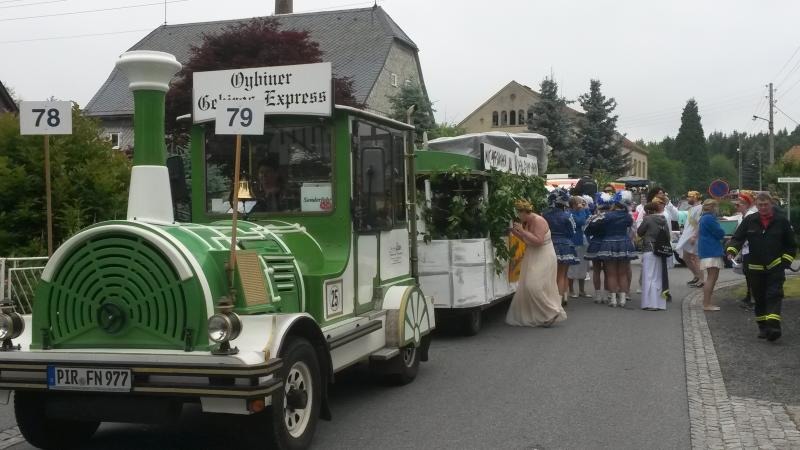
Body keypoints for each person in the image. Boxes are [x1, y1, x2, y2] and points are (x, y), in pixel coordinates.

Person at [726, 192, 797, 341]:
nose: (763, 207)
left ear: (771, 204)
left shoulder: (781, 221)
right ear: (756, 205)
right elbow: (738, 238)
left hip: (775, 266)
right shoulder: (750, 220)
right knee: (759, 298)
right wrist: (732, 250)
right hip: (754, 268)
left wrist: (785, 261)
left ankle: (773, 326)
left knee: (774, 295)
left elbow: (791, 245)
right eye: (760, 205)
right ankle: (763, 327)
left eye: (766, 204)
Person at [506, 199, 567, 327]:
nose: (517, 216)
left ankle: (552, 311)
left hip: (543, 255)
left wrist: (522, 231)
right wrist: (515, 232)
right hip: (533, 255)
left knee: (533, 285)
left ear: (523, 212)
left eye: (518, 213)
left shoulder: (538, 221)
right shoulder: (527, 221)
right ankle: (544, 315)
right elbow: (527, 240)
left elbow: (538, 241)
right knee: (531, 285)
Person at [586, 191, 638, 308]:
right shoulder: (627, 216)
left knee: (611, 274)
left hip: (608, 243)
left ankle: (613, 299)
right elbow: (631, 228)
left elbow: (592, 225)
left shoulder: (606, 216)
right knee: (623, 273)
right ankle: (623, 299)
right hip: (624, 243)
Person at [543, 188, 580, 306]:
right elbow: (572, 232)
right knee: (563, 274)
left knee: (551, 274)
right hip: (565, 245)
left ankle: (552, 299)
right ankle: (561, 299)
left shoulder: (545, 215)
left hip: (549, 245)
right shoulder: (568, 216)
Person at [637, 202, 669, 311]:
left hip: (649, 249)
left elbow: (640, 232)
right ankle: (660, 303)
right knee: (658, 277)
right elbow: (668, 236)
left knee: (648, 276)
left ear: (648, 211)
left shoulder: (648, 219)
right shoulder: (663, 220)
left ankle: (650, 304)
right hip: (661, 250)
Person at [698, 199, 725, 311]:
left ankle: (707, 302)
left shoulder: (704, 218)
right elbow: (720, 232)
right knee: (711, 278)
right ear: (713, 207)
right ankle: (706, 304)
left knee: (711, 277)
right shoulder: (709, 218)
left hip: (706, 249)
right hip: (711, 250)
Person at [733, 191, 758, 308]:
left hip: (751, 249)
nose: (737, 207)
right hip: (745, 249)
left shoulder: (750, 216)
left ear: (746, 204)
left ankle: (753, 300)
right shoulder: (743, 216)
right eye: (737, 204)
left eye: (739, 204)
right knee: (747, 274)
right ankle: (749, 296)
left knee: (751, 274)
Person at [675, 191, 704, 288]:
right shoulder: (692, 208)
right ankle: (696, 276)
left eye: (689, 197)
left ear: (695, 198)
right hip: (688, 236)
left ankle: (701, 280)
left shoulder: (700, 208)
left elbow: (699, 223)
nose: (688, 199)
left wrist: (695, 236)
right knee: (686, 257)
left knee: (696, 258)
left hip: (694, 237)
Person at [585, 196, 610, 304]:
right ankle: (605, 294)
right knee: (608, 270)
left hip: (595, 243)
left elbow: (586, 232)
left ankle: (597, 295)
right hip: (607, 244)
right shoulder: (611, 219)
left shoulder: (592, 218)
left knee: (596, 270)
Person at [568, 196, 592, 299]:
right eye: (579, 202)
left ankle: (582, 290)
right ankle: (571, 290)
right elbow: (580, 222)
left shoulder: (582, 211)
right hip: (575, 242)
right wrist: (583, 210)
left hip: (584, 242)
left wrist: (586, 208)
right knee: (573, 267)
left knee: (583, 267)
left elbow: (589, 219)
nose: (581, 204)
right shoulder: (570, 213)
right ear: (573, 204)